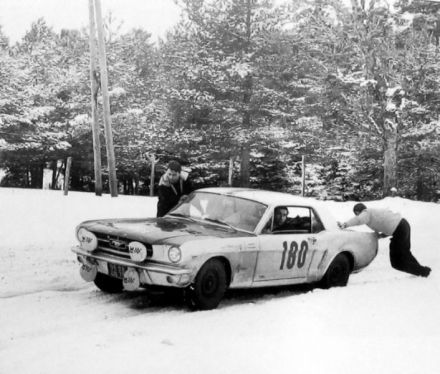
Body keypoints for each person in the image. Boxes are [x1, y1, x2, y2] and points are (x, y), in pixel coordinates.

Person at [339, 203, 431, 277]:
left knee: (397, 263)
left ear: (359, 211)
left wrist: (345, 224)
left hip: (399, 230)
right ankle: (421, 271)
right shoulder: (373, 214)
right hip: (404, 224)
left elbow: (359, 220)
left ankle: (422, 272)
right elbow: (387, 224)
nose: (356, 215)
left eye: (356, 213)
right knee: (406, 253)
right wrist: (381, 236)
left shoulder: (366, 213)